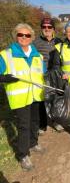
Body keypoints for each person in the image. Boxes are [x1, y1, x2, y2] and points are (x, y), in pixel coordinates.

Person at [0, 23, 46, 171]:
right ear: (16, 36)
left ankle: (33, 143)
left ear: (32, 37)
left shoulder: (37, 55)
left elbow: (43, 73)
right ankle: (23, 155)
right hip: (19, 98)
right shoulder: (6, 54)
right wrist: (4, 78)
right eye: (21, 35)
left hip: (36, 96)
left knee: (35, 122)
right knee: (24, 126)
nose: (24, 38)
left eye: (27, 35)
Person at [33, 17, 64, 134]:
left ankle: (56, 121)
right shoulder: (35, 43)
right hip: (41, 75)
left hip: (56, 75)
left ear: (53, 29)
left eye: (49, 27)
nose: (47, 29)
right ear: (41, 29)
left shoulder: (60, 42)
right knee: (42, 100)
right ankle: (42, 125)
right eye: (44, 27)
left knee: (55, 99)